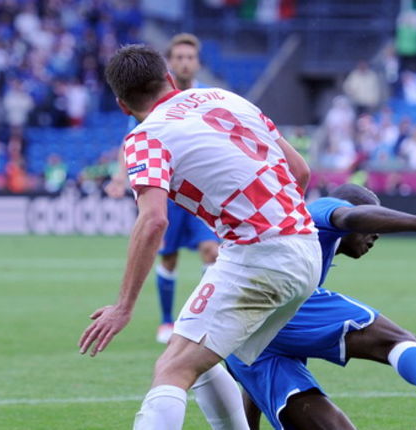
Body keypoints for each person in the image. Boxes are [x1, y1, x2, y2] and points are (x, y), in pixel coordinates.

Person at [78, 44, 322, 430]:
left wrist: (123, 306)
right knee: (196, 350)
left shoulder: (145, 136)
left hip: (261, 254)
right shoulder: (225, 98)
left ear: (123, 106)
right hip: (306, 248)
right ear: (170, 79)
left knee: (172, 367)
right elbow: (301, 171)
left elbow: (153, 220)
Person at [224, 183, 416, 430]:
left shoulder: (304, 247)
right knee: (397, 340)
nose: (375, 235)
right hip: (276, 299)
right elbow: (351, 218)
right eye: (373, 227)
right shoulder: (320, 208)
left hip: (244, 335)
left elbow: (250, 366)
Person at [105, 33, 220, 344]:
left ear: (197, 63)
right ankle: (167, 321)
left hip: (202, 191)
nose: (185, 62)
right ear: (170, 65)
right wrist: (120, 175)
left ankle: (203, 319)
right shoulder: (149, 104)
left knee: (212, 251)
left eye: (190, 57)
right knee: (167, 258)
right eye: (179, 57)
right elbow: (131, 141)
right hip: (167, 192)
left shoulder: (207, 98)